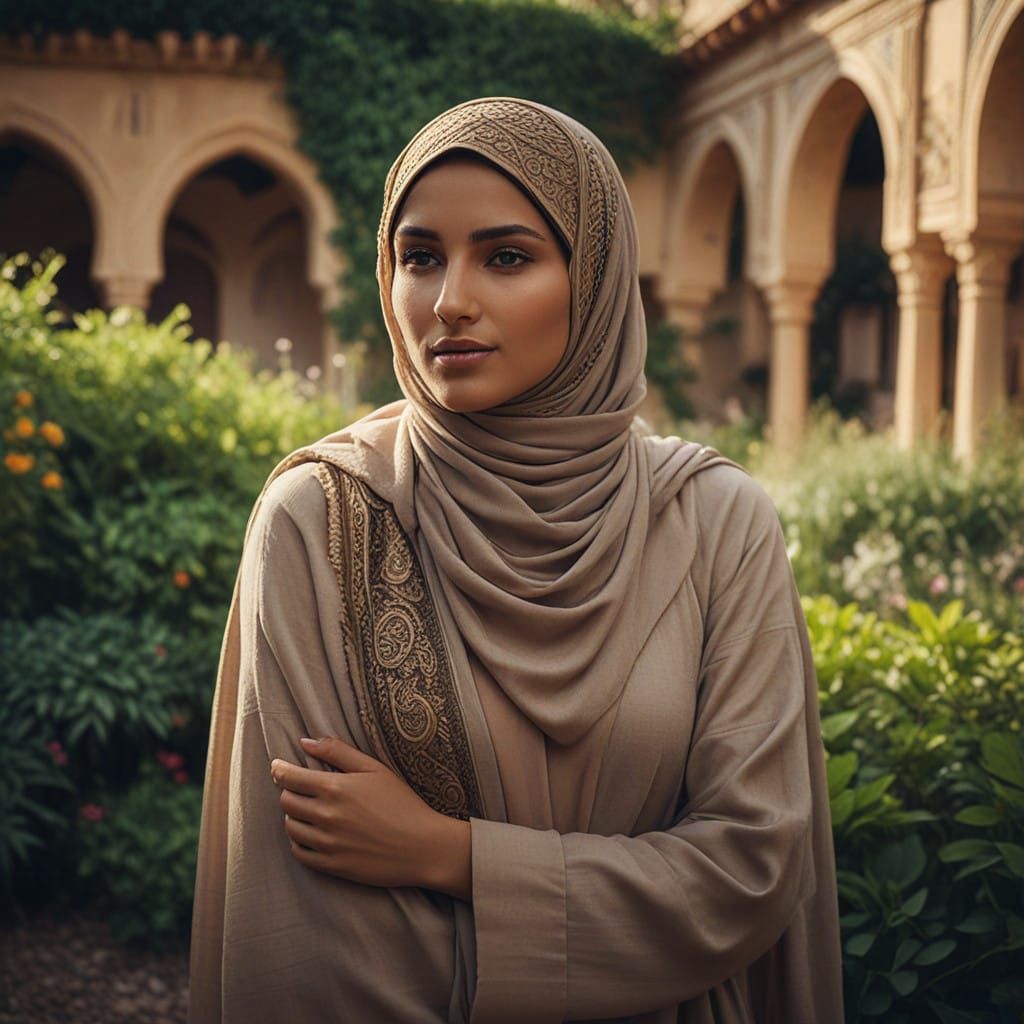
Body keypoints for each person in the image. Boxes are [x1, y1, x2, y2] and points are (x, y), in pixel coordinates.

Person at [188, 97, 844, 1023]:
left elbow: (750, 867)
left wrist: (451, 857)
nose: (448, 300)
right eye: (420, 257)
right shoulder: (323, 519)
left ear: (596, 278)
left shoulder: (713, 520)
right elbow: (311, 932)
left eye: (506, 257)